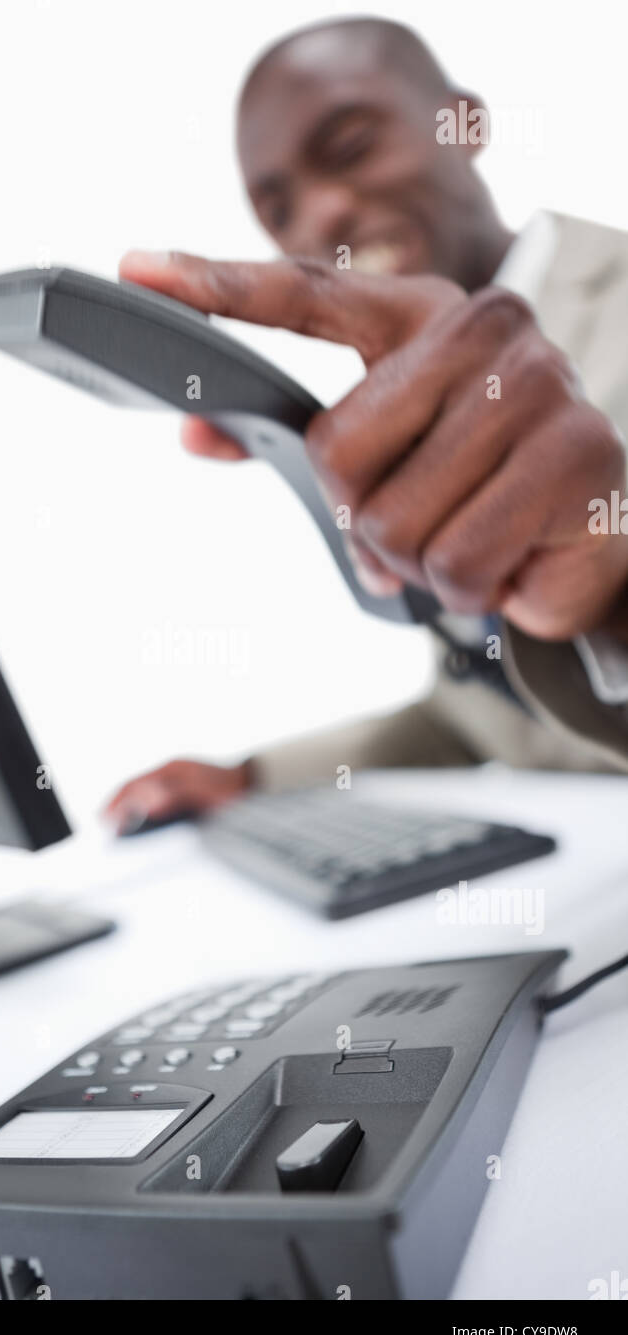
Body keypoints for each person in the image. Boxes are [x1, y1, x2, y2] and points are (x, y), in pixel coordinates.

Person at [105, 16, 628, 832]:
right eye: (278, 209)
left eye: (349, 148)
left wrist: (611, 598)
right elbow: (471, 717)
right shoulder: (413, 398)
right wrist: (256, 775)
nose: (324, 216)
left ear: (466, 124)